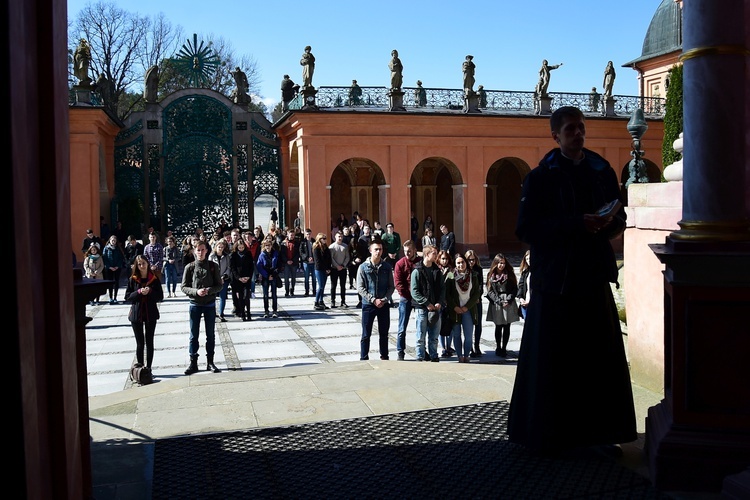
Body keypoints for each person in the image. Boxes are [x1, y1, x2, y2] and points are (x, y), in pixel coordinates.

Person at [508, 105, 636, 456]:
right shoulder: (541, 177)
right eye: (570, 129)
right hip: (556, 282)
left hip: (592, 277)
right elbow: (526, 228)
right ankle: (549, 437)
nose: (578, 134)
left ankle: (597, 436)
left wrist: (610, 222)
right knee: (555, 364)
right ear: (555, 136)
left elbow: (617, 215)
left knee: (596, 362)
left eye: (581, 128)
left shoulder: (601, 171)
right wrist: (575, 223)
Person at [181, 240, 224, 374]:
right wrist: (196, 292)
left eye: (202, 250)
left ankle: (210, 362)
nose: (200, 252)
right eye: (197, 250)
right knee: (193, 336)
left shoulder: (213, 266)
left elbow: (219, 285)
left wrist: (209, 290)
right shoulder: (190, 267)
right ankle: (193, 362)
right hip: (195, 305)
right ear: (194, 251)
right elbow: (183, 287)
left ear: (207, 251)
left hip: (209, 305)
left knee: (210, 335)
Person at [356, 239, 395, 360]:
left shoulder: (386, 267)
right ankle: (364, 357)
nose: (378, 252)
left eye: (380, 249)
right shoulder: (363, 267)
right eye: (376, 249)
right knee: (366, 334)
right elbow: (360, 288)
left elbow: (391, 286)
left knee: (384, 333)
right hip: (368, 305)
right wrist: (373, 300)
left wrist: (384, 299)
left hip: (383, 305)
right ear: (370, 251)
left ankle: (384, 356)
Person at [125, 255, 163, 372]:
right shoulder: (133, 279)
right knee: (140, 343)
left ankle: (149, 368)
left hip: (150, 312)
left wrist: (150, 291)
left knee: (149, 341)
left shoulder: (154, 278)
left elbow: (160, 296)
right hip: (137, 314)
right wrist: (139, 292)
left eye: (143, 263)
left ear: (147, 264)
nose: (142, 266)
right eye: (139, 264)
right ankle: (140, 369)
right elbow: (127, 297)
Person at [410, 245, 445, 362]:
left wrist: (439, 302)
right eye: (434, 253)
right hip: (422, 308)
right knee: (420, 336)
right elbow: (414, 291)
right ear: (426, 254)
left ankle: (434, 355)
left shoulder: (437, 270)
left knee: (434, 336)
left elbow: (442, 289)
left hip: (435, 308)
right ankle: (420, 356)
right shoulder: (417, 270)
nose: (436, 256)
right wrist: (426, 303)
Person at [446, 253, 482, 363]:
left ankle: (466, 355)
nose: (461, 265)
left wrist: (467, 307)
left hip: (468, 309)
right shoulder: (451, 276)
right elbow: (447, 294)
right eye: (458, 263)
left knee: (468, 336)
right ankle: (459, 356)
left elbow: (476, 293)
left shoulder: (473, 275)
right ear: (455, 264)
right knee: (456, 335)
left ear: (466, 263)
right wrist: (455, 307)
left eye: (462, 262)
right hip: (456, 310)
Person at [484, 253, 519, 357]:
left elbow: (514, 288)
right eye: (499, 263)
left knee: (507, 326)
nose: (501, 265)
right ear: (495, 263)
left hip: (508, 301)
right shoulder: (491, 275)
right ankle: (498, 347)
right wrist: (498, 300)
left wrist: (508, 299)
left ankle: (504, 347)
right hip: (497, 302)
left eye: (503, 263)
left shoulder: (510, 274)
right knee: (498, 326)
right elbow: (489, 291)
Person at [393, 240, 420, 360]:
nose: (407, 253)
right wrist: (407, 295)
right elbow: (398, 283)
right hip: (406, 298)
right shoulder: (400, 264)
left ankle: (422, 349)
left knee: (422, 326)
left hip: (419, 298)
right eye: (405, 251)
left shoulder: (420, 263)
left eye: (409, 251)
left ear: (414, 250)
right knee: (402, 327)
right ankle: (400, 351)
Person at [465, 249, 485, 357]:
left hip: (477, 301)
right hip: (467, 301)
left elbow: (481, 285)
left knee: (478, 324)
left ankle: (477, 346)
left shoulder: (479, 270)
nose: (471, 262)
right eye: (469, 260)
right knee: (469, 325)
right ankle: (470, 347)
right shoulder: (464, 270)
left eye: (473, 260)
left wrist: (478, 296)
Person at [228, 239, 253, 321]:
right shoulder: (233, 255)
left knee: (246, 297)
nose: (241, 249)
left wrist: (248, 277)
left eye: (242, 247)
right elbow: (233, 268)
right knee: (240, 297)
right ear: (237, 247)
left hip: (247, 278)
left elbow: (251, 267)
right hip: (238, 280)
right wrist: (239, 278)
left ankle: (248, 313)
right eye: (239, 247)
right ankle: (242, 314)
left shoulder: (248, 254)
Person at [256, 237, 281, 318]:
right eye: (266, 245)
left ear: (271, 245)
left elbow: (279, 265)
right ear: (264, 246)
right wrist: (266, 275)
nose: (268, 247)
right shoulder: (262, 255)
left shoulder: (276, 253)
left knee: (274, 294)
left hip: (273, 276)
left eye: (269, 245)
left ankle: (275, 310)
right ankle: (266, 311)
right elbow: (259, 266)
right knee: (265, 295)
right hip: (265, 277)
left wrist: (273, 274)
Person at [436, 250, 454, 358]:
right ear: (439, 259)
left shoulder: (452, 271)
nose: (445, 261)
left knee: (450, 325)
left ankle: (449, 346)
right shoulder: (437, 270)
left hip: (449, 301)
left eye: (446, 259)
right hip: (440, 302)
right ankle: (443, 348)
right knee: (441, 326)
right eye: (443, 258)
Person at [328, 230, 350, 308]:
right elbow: (331, 258)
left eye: (341, 236)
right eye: (338, 236)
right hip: (334, 269)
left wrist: (343, 265)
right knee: (333, 286)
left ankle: (343, 301)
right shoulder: (332, 247)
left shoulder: (345, 246)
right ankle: (332, 301)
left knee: (343, 286)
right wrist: (337, 266)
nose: (340, 238)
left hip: (343, 269)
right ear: (335, 237)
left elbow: (347, 257)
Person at [102, 235, 126, 304]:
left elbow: (121, 258)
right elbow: (105, 258)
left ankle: (115, 297)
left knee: (116, 282)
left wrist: (117, 266)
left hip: (117, 268)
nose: (113, 242)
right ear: (109, 241)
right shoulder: (106, 248)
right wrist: (109, 266)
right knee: (110, 283)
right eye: (112, 240)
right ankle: (110, 297)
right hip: (109, 268)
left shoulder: (118, 248)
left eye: (114, 240)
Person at [312, 233, 332, 310]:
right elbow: (318, 261)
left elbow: (328, 258)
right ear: (319, 239)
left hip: (326, 269)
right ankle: (316, 302)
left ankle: (321, 301)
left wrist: (328, 268)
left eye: (325, 238)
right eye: (323, 238)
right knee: (320, 286)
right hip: (319, 269)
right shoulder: (316, 248)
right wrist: (325, 268)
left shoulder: (325, 247)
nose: (325, 240)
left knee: (323, 286)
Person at [280, 228, 299, 297]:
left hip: (294, 263)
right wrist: (287, 260)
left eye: (293, 235)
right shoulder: (283, 243)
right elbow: (282, 253)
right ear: (287, 235)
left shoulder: (297, 243)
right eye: (291, 235)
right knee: (286, 278)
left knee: (293, 278)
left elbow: (297, 253)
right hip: (286, 263)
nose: (292, 236)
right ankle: (287, 291)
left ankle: (292, 290)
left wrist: (293, 260)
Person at [299, 228, 316, 298]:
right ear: (305, 235)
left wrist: (313, 258)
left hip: (314, 262)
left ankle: (314, 291)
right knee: (306, 278)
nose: (308, 235)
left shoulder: (314, 241)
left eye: (309, 234)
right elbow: (301, 252)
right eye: (307, 234)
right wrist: (306, 258)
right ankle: (307, 291)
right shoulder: (303, 242)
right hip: (306, 262)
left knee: (314, 278)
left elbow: (316, 251)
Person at [517, 250, 531, 320]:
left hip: (534, 304)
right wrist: (521, 298)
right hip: (524, 304)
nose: (529, 261)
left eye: (530, 259)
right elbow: (521, 286)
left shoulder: (539, 273)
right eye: (527, 259)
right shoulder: (525, 272)